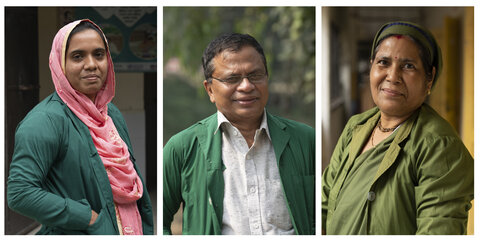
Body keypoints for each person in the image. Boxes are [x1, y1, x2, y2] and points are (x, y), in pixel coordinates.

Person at [321, 21, 474, 235]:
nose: (392, 76)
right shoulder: (356, 127)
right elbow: (324, 203)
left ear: (429, 79)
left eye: (408, 66)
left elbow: (439, 230)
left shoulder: (439, 147)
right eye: (383, 62)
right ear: (371, 67)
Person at [7, 19, 154, 235]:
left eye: (98, 54)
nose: (91, 64)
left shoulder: (110, 114)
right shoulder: (45, 121)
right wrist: (89, 219)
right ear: (60, 63)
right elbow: (20, 193)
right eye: (78, 56)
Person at [163, 33, 315, 235]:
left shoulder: (305, 140)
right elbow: (157, 221)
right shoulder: (182, 148)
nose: (246, 86)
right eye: (232, 78)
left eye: (255, 75)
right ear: (210, 90)